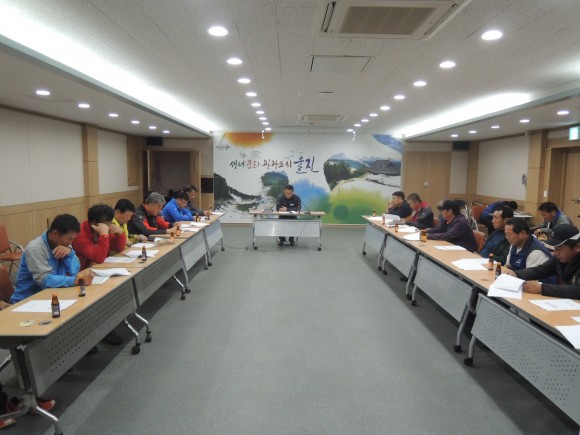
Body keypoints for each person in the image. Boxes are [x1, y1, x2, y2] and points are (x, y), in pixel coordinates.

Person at [11, 214, 93, 304]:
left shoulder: (63, 244)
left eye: (72, 239)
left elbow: (74, 271)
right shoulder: (35, 249)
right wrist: (75, 281)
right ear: (55, 234)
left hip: (53, 294)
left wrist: (70, 254)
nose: (70, 243)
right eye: (69, 239)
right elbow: (45, 280)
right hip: (28, 301)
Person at [504, 224, 579, 299]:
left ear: (577, 247)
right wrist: (516, 274)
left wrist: (541, 288)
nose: (555, 253)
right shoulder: (559, 258)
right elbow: (541, 270)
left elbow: (577, 290)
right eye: (555, 248)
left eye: (559, 249)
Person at [72, 204, 127, 270]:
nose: (109, 226)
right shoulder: (79, 235)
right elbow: (99, 258)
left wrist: (120, 234)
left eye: (110, 222)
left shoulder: (103, 228)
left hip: (101, 267)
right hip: (83, 271)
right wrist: (104, 234)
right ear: (94, 222)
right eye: (107, 224)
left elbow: (118, 248)